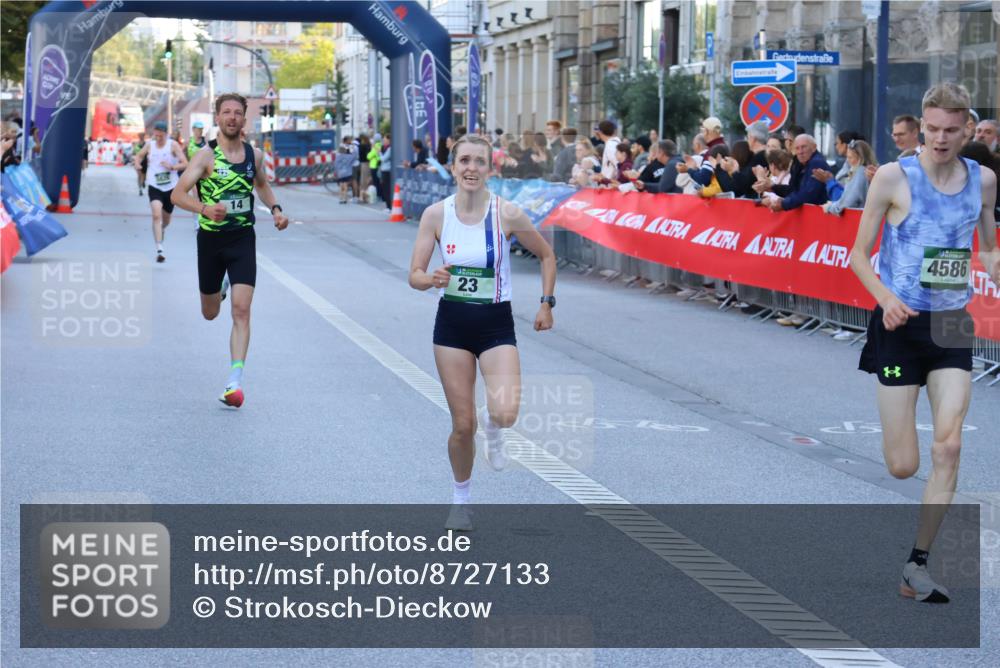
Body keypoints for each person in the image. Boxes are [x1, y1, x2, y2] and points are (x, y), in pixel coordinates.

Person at [850, 82, 1000, 603]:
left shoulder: (983, 181)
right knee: (903, 465)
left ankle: (917, 565)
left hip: (952, 321)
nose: (940, 138)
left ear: (967, 129)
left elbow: (987, 247)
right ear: (922, 124)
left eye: (951, 130)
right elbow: (858, 256)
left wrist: (995, 267)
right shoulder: (894, 177)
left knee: (951, 444)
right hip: (898, 324)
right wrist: (885, 298)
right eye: (932, 128)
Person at [407, 134, 556, 530]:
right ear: (453, 167)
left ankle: (495, 425)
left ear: (490, 168)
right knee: (461, 425)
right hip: (452, 325)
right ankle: (461, 499)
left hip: (495, 323)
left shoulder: (506, 213)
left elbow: (546, 254)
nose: (471, 168)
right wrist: (431, 278)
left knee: (505, 412)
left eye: (479, 161)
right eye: (464, 161)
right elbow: (414, 276)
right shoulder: (436, 215)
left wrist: (546, 302)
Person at [171, 93, 290, 408]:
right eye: (226, 112)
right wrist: (204, 209)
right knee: (210, 313)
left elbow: (261, 185)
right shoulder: (204, 157)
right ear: (218, 118)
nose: (232, 117)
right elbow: (177, 195)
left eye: (238, 112)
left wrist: (276, 208)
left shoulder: (255, 156)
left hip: (242, 239)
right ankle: (219, 289)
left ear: (244, 119)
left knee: (242, 309)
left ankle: (234, 381)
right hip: (210, 241)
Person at [133, 120, 188, 263]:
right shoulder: (149, 145)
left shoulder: (173, 145)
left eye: (160, 136)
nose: (158, 139)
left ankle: (162, 229)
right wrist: (138, 164)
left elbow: (185, 163)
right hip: (154, 185)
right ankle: (159, 248)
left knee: (166, 219)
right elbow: (138, 156)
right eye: (156, 136)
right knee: (156, 215)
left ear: (166, 134)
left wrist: (172, 167)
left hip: (170, 186)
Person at [823, 139, 877, 216]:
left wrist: (830, 208)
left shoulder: (860, 172)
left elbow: (848, 201)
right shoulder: (867, 171)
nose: (848, 161)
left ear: (860, 158)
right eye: (847, 157)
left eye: (850, 157)